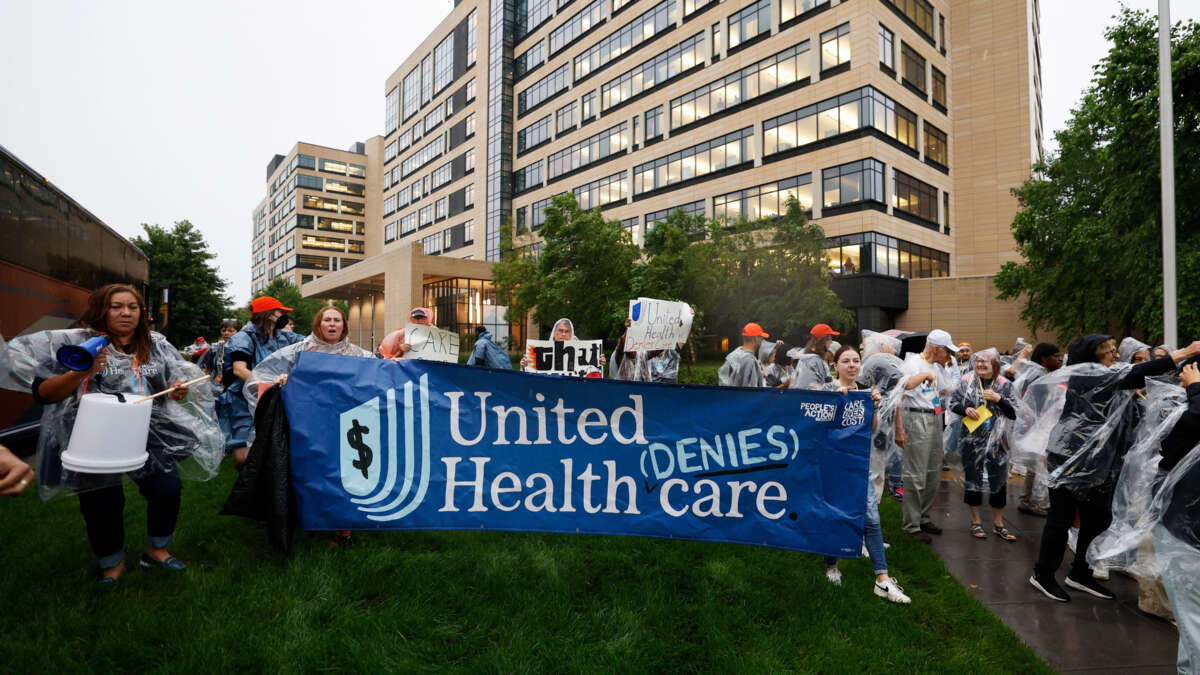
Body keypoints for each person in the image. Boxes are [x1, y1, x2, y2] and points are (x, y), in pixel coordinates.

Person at [2, 284, 222, 582]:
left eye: (132, 307)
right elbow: (44, 393)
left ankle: (156, 551)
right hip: (94, 434)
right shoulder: (76, 343)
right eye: (116, 306)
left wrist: (178, 390)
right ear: (101, 310)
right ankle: (111, 563)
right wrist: (81, 370)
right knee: (101, 500)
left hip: (147, 432)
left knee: (167, 489)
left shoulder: (154, 344)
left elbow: (171, 382)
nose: (126, 313)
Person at [1027, 335, 1200, 603]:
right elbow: (1137, 372)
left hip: (1098, 461)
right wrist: (1183, 354)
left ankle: (1080, 573)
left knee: (1097, 519)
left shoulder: (1110, 375)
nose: (1114, 356)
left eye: (1114, 350)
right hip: (1070, 458)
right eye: (1107, 352)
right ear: (1092, 358)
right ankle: (1043, 574)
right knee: (1060, 520)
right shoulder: (1088, 375)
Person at [820, 345, 910, 603]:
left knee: (871, 517)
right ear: (835, 365)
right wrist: (836, 401)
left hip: (859, 464)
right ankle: (831, 567)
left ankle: (882, 579)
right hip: (832, 465)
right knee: (834, 516)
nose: (851, 365)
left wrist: (874, 406)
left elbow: (871, 430)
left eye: (856, 361)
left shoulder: (866, 392)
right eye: (845, 361)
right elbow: (818, 427)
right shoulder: (828, 390)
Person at [222, 296, 303, 469]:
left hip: (272, 399)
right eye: (280, 312)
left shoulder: (284, 337)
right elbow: (239, 369)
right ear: (269, 315)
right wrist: (266, 385)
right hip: (242, 402)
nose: (284, 316)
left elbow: (311, 342)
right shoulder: (244, 338)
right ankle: (246, 489)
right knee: (243, 457)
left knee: (273, 449)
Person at [949, 348, 1018, 541]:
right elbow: (953, 403)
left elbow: (1015, 412)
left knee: (999, 481)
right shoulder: (966, 380)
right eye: (977, 362)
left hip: (999, 441)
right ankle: (976, 521)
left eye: (984, 363)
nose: (979, 365)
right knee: (973, 479)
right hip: (971, 439)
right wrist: (966, 409)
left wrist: (999, 399)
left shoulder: (1005, 384)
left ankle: (998, 523)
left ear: (995, 365)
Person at [898, 328, 958, 542]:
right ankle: (911, 525)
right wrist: (899, 428)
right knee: (916, 472)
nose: (949, 355)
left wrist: (952, 370)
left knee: (933, 470)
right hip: (916, 417)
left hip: (935, 417)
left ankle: (923, 517)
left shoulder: (936, 366)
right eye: (947, 351)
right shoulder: (913, 363)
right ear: (936, 348)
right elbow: (902, 389)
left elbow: (946, 390)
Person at [1014, 342, 1062, 516]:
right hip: (1039, 426)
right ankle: (1034, 502)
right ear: (1044, 359)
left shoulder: (1038, 372)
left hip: (1036, 426)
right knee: (1039, 465)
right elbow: (1037, 404)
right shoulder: (1040, 376)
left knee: (1035, 466)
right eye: (1056, 356)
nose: (1060, 359)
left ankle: (1027, 500)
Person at [610, 318, 679, 383]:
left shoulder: (640, 353)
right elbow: (623, 345)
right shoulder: (620, 354)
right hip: (621, 389)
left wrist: (672, 330)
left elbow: (656, 350)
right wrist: (628, 329)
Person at [718, 323, 773, 388]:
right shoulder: (749, 359)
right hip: (742, 397)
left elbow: (730, 377)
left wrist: (759, 374)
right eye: (761, 337)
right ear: (755, 338)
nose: (762, 340)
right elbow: (751, 389)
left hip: (730, 396)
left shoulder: (734, 354)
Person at [198, 318, 239, 384]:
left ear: (238, 332)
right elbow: (206, 369)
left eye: (230, 331)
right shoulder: (214, 348)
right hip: (216, 386)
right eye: (224, 330)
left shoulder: (242, 349)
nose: (226, 333)